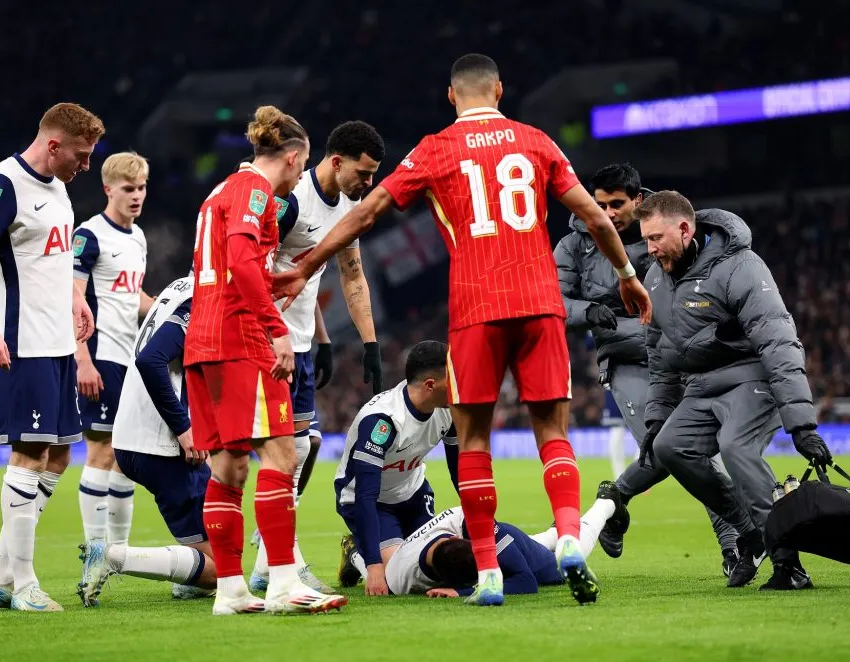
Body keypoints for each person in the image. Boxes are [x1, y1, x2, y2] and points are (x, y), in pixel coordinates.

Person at [274, 53, 651, 607]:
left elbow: (366, 213)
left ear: (451, 97)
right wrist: (627, 275)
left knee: (473, 441)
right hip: (539, 300)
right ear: (499, 89)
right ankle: (570, 537)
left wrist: (305, 265)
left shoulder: (434, 149)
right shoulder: (537, 141)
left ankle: (489, 575)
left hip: (476, 308)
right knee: (553, 433)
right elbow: (596, 218)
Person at [184, 106, 346, 615]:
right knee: (282, 457)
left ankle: (231, 591)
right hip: (241, 338)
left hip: (204, 340)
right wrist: (276, 329)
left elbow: (233, 268)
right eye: (303, 166)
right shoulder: (257, 193)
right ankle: (282, 583)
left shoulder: (219, 194)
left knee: (229, 468)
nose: (301, 176)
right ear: (295, 158)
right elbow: (240, 260)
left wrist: (288, 280)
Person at [635, 190, 833, 591]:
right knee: (671, 447)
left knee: (737, 447)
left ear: (685, 229)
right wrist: (656, 419)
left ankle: (788, 564)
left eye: (656, 238)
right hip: (701, 387)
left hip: (752, 377)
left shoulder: (741, 266)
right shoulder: (654, 279)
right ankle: (751, 534)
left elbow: (779, 341)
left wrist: (802, 426)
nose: (650, 248)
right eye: (646, 239)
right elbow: (659, 356)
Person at [554, 164, 739, 575]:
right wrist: (589, 310)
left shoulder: (659, 232)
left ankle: (614, 500)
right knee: (669, 449)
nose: (605, 212)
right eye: (599, 204)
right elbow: (553, 302)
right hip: (626, 361)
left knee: (687, 450)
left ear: (637, 201)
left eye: (615, 204)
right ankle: (736, 542)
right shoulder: (572, 246)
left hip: (680, 356)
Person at [0, 103, 103, 611]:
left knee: (59, 456)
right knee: (29, 455)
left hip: (60, 341)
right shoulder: (4, 183)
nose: (86, 167)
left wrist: (76, 299)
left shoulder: (60, 189)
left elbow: (54, 260)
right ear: (54, 144)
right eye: (81, 156)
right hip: (22, 343)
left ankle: (0, 577)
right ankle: (24, 586)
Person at [250, 122, 386, 593]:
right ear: (335, 161)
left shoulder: (350, 207)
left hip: (302, 342)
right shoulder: (290, 203)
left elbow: (349, 275)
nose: (367, 183)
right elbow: (258, 268)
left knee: (306, 446)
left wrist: (363, 343)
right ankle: (276, 558)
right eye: (362, 173)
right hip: (270, 342)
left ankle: (271, 553)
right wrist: (274, 333)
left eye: (373, 175)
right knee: (288, 448)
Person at [77, 275, 220, 606]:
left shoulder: (178, 286)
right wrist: (184, 428)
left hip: (131, 438)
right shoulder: (203, 298)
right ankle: (112, 557)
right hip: (163, 445)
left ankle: (190, 582)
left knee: (209, 544)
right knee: (224, 569)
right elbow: (151, 359)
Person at [72, 152, 154, 548]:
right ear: (108, 189)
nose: (136, 196)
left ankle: (118, 553)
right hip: (100, 356)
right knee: (101, 450)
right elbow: (70, 297)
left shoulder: (137, 237)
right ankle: (96, 549)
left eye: (141, 188)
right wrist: (82, 359)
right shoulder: (89, 235)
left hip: (130, 358)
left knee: (124, 455)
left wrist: (167, 308)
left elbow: (131, 294)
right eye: (128, 189)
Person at [333, 340, 459, 596]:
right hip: (371, 502)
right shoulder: (383, 421)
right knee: (395, 581)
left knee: (438, 563)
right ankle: (355, 553)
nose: (459, 385)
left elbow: (460, 469)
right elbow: (365, 494)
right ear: (430, 385)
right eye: (453, 378)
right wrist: (374, 567)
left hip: (413, 494)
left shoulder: (449, 411)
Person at [382, 482, 626, 599]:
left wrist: (462, 591)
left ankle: (606, 503)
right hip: (502, 542)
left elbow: (526, 581)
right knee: (542, 541)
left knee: (565, 561)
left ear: (458, 537)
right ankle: (556, 531)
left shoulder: (469, 520)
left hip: (504, 540)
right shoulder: (398, 576)